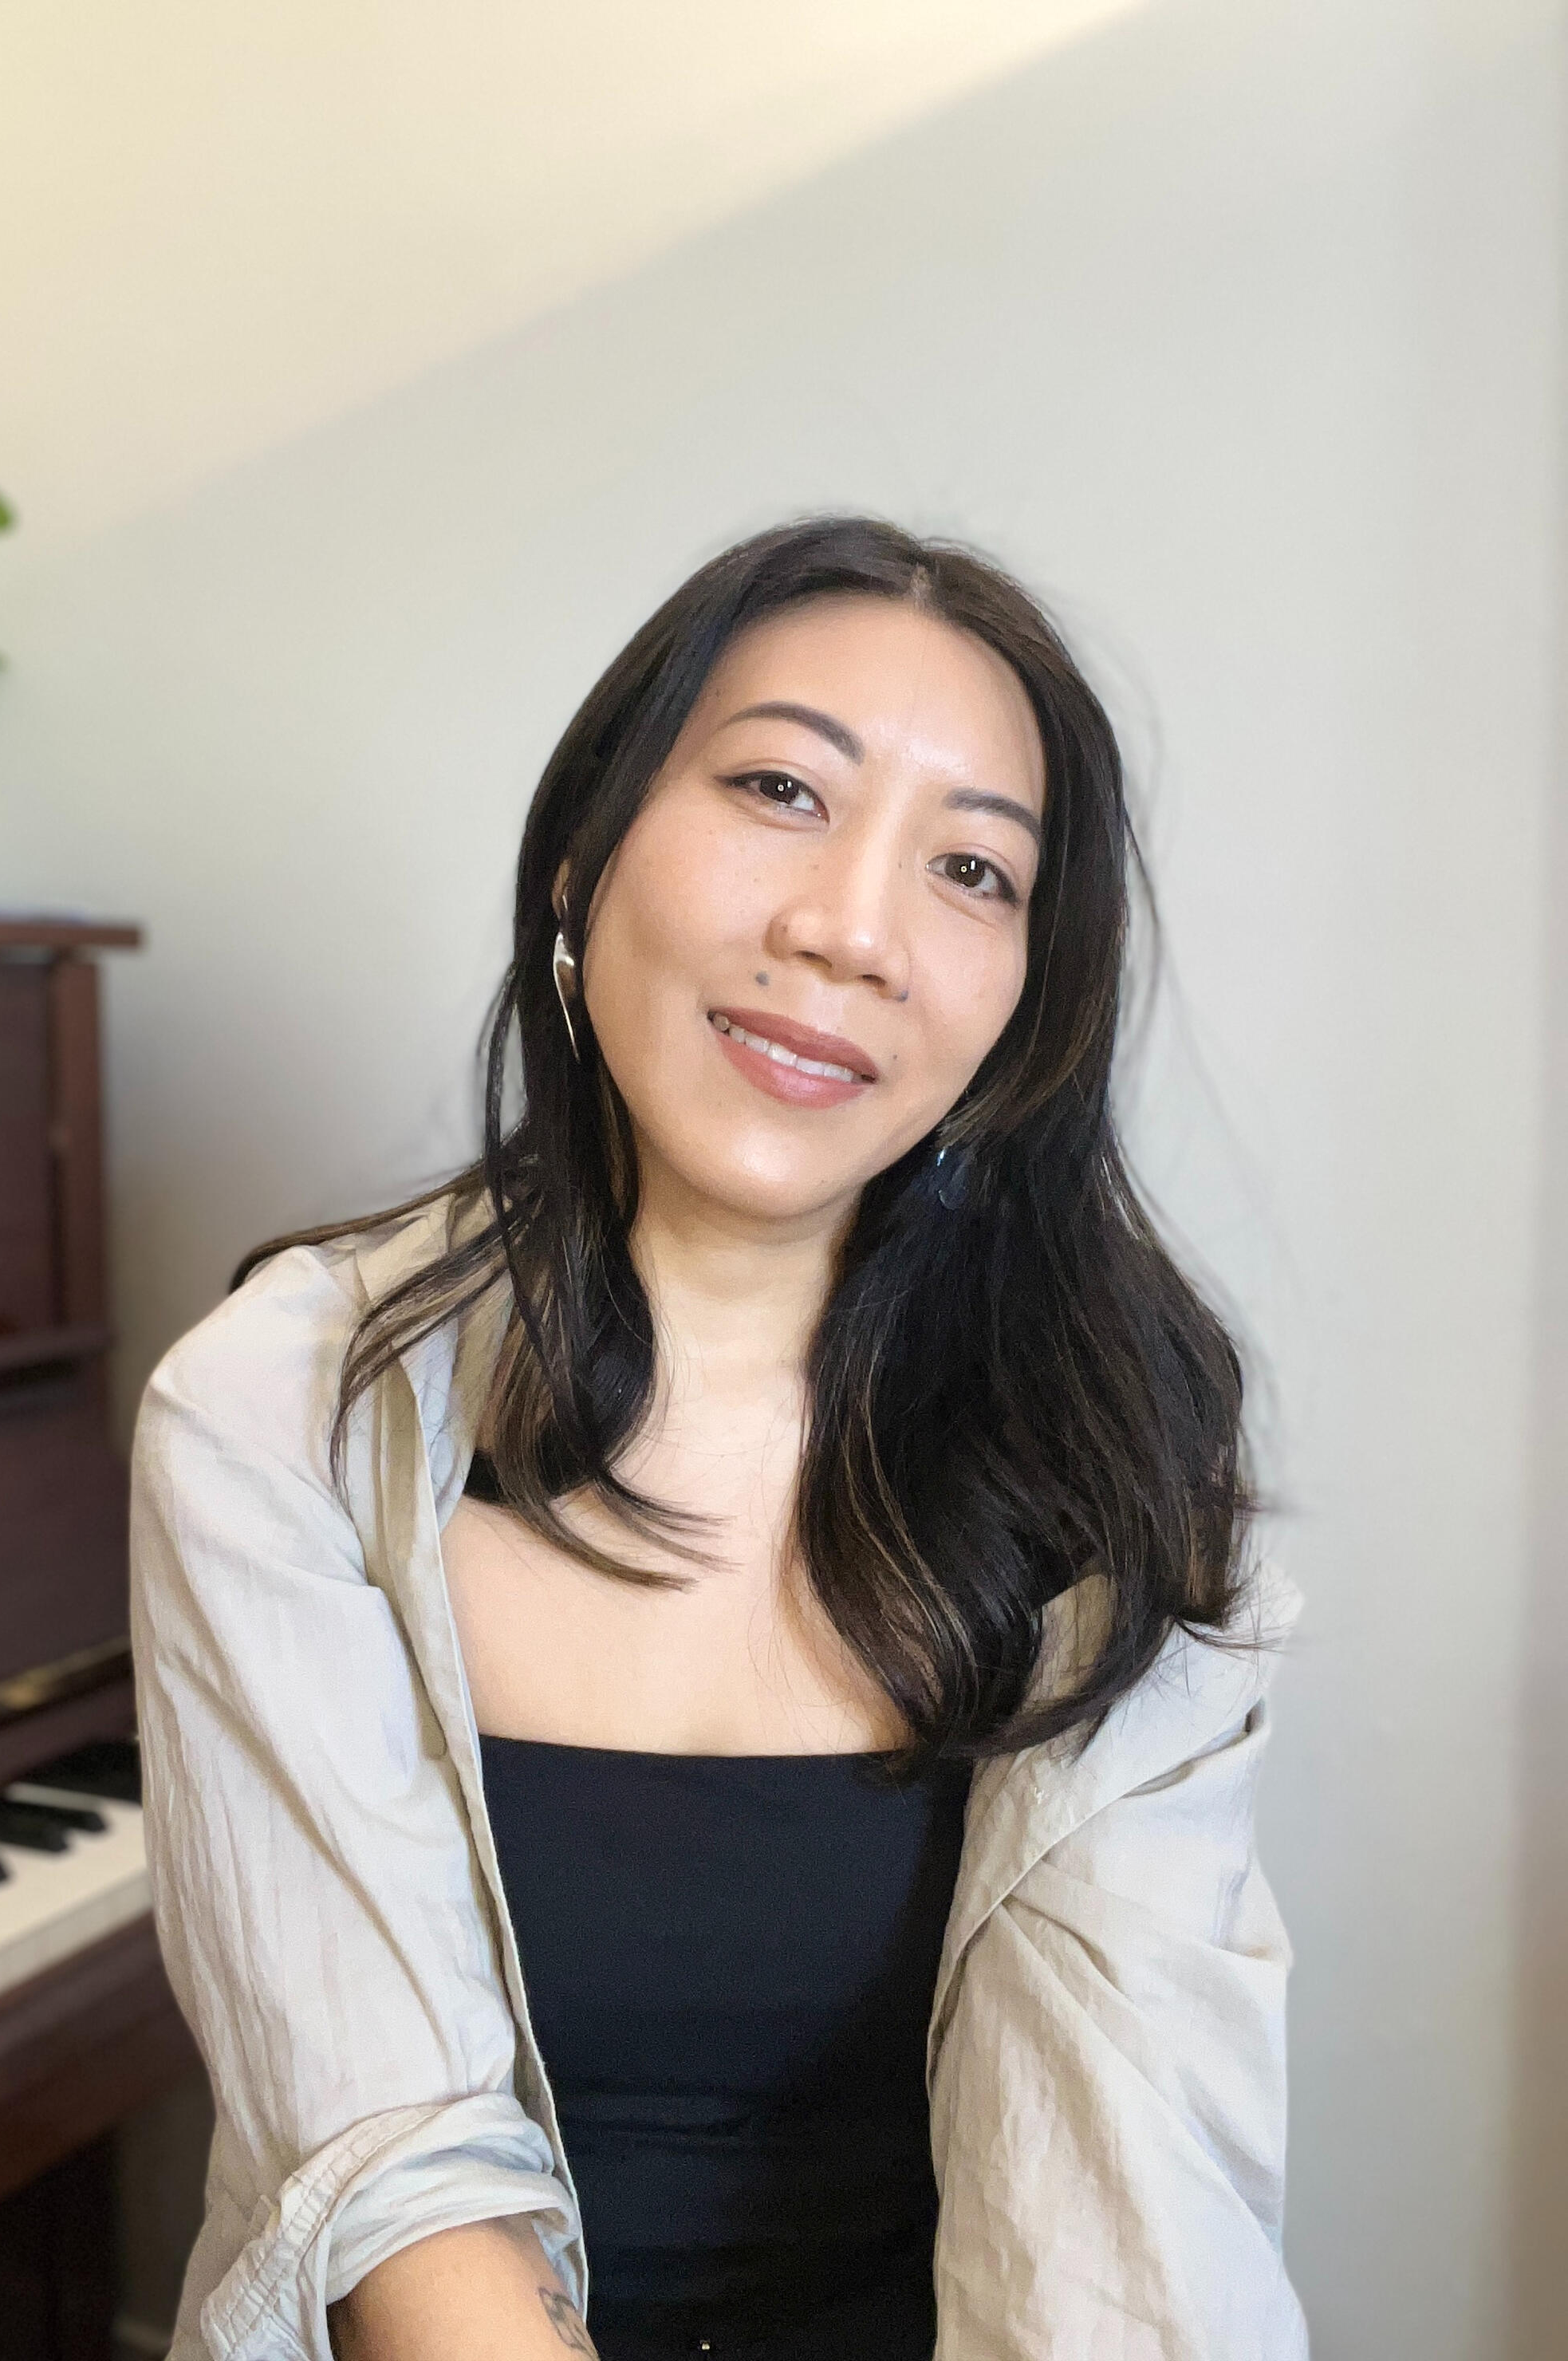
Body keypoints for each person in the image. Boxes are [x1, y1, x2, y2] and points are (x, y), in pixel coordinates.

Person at [131, 516, 1306, 2361]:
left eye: (973, 870)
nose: (851, 929)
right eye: (780, 787)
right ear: (584, 855)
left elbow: (1123, 2214)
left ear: (1022, 1007)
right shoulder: (278, 1411)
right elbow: (381, 2162)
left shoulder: (1121, 1462)